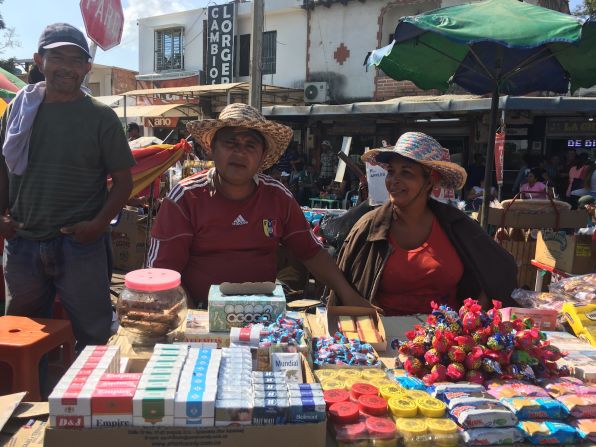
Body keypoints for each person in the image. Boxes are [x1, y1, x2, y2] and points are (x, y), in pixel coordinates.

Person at [146, 103, 366, 308]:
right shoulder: (184, 197)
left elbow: (312, 253)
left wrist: (351, 297)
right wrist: (193, 320)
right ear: (211, 149)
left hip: (263, 318)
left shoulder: (278, 197)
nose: (240, 152)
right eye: (230, 143)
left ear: (262, 157)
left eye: (250, 145)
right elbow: (161, 273)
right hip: (197, 314)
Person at [0, 23, 134, 346]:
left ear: (87, 67)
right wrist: (2, 215)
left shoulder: (102, 118)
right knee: (22, 337)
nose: (67, 67)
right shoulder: (19, 112)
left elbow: (124, 181)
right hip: (23, 243)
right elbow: (2, 169)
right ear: (38, 60)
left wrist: (98, 225)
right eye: (57, 57)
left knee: (95, 335)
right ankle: (28, 397)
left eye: (76, 60)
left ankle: (95, 398)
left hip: (80, 246)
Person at [331, 132, 517, 315]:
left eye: (406, 173)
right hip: (384, 337)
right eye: (391, 172)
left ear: (431, 180)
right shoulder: (369, 227)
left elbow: (502, 266)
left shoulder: (456, 224)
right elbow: (342, 286)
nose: (394, 181)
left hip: (447, 338)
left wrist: (477, 311)